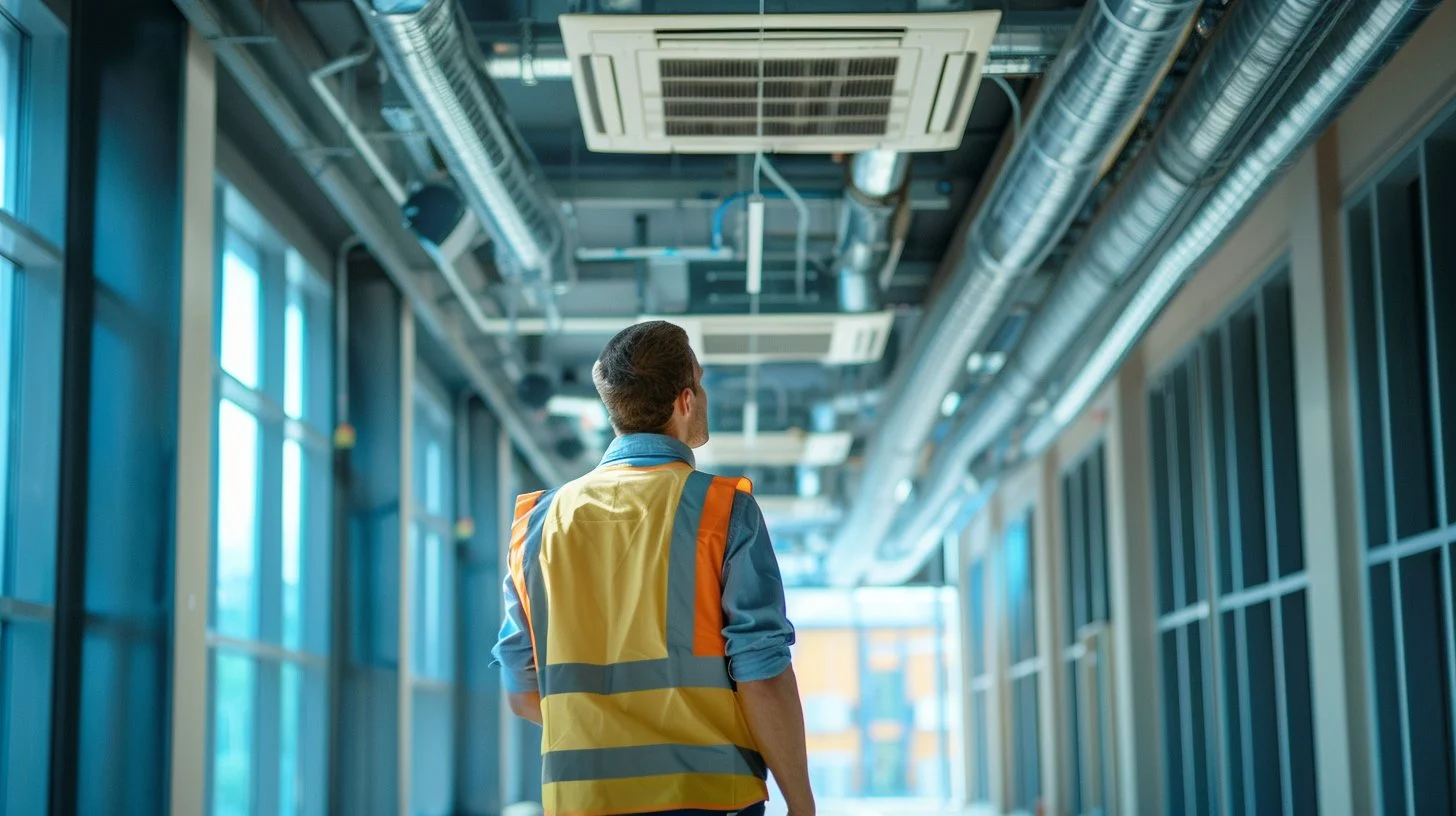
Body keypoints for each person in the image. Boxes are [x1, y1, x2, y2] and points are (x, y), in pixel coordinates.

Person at [492, 320, 814, 816]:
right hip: (707, 798)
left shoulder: (539, 522)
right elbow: (762, 674)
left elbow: (521, 691)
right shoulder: (721, 511)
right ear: (685, 401)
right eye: (700, 384)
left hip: (583, 803)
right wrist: (801, 803)